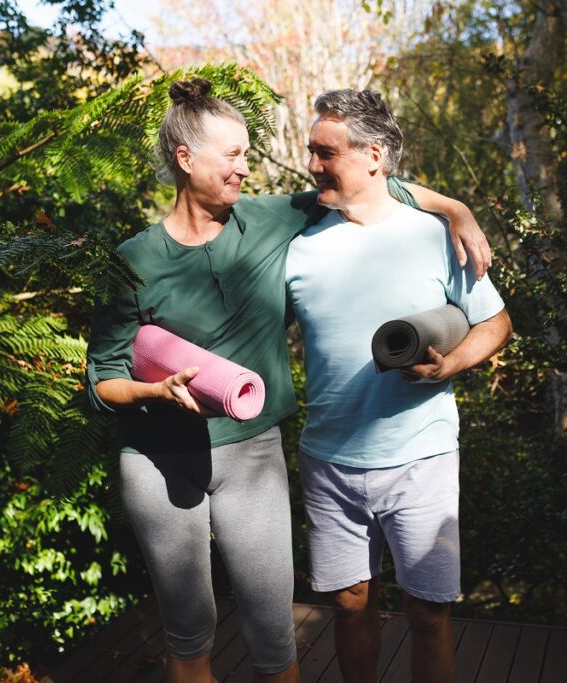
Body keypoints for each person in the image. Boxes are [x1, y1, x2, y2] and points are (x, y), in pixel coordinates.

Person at [85, 78, 490, 683]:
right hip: (159, 456)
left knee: (275, 635)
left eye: (248, 154)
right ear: (185, 159)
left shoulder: (271, 220)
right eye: (235, 156)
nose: (248, 168)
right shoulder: (133, 261)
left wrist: (457, 209)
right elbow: (102, 378)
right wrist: (152, 391)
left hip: (253, 455)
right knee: (189, 629)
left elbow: (367, 184)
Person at [285, 89, 512, 683]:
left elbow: (497, 322)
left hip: (421, 457)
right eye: (311, 150)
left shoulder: (436, 235)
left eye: (325, 152)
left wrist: (450, 364)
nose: (312, 164)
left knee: (428, 613)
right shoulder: (298, 247)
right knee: (349, 603)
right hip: (328, 459)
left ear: (374, 155)